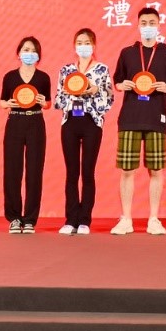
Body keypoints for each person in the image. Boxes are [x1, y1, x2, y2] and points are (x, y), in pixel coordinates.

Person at [110, 7, 166, 236]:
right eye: (144, 22)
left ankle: (153, 219)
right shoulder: (127, 53)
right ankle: (126, 219)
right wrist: (122, 85)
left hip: (156, 118)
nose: (148, 26)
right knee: (127, 170)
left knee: (156, 170)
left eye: (152, 22)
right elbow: (117, 81)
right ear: (138, 25)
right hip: (130, 118)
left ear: (159, 25)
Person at [53, 28, 113, 235]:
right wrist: (67, 93)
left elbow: (109, 99)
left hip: (92, 122)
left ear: (94, 46)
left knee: (88, 171)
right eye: (79, 42)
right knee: (72, 172)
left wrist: (96, 90)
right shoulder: (66, 70)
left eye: (87, 43)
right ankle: (71, 219)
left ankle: (85, 220)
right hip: (70, 121)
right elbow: (58, 100)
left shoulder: (102, 69)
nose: (83, 46)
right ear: (74, 46)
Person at [0, 36, 51, 234]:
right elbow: (2, 101)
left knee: (34, 171)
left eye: (33, 50)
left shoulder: (43, 77)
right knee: (12, 171)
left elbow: (48, 103)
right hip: (15, 121)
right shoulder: (10, 77)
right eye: (26, 50)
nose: (29, 53)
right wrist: (7, 104)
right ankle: (14, 218)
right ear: (18, 54)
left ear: (38, 55)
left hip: (35, 122)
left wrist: (44, 102)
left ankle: (29, 220)